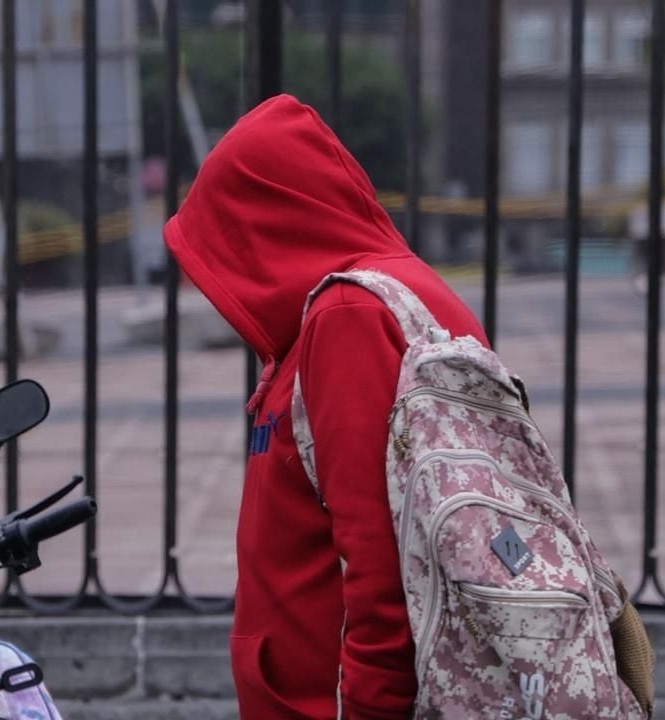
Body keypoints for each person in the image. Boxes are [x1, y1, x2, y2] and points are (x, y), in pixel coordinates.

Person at [163, 94, 490, 719]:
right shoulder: (378, 298)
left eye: (229, 243)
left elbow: (381, 569)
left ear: (268, 221)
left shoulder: (349, 318)